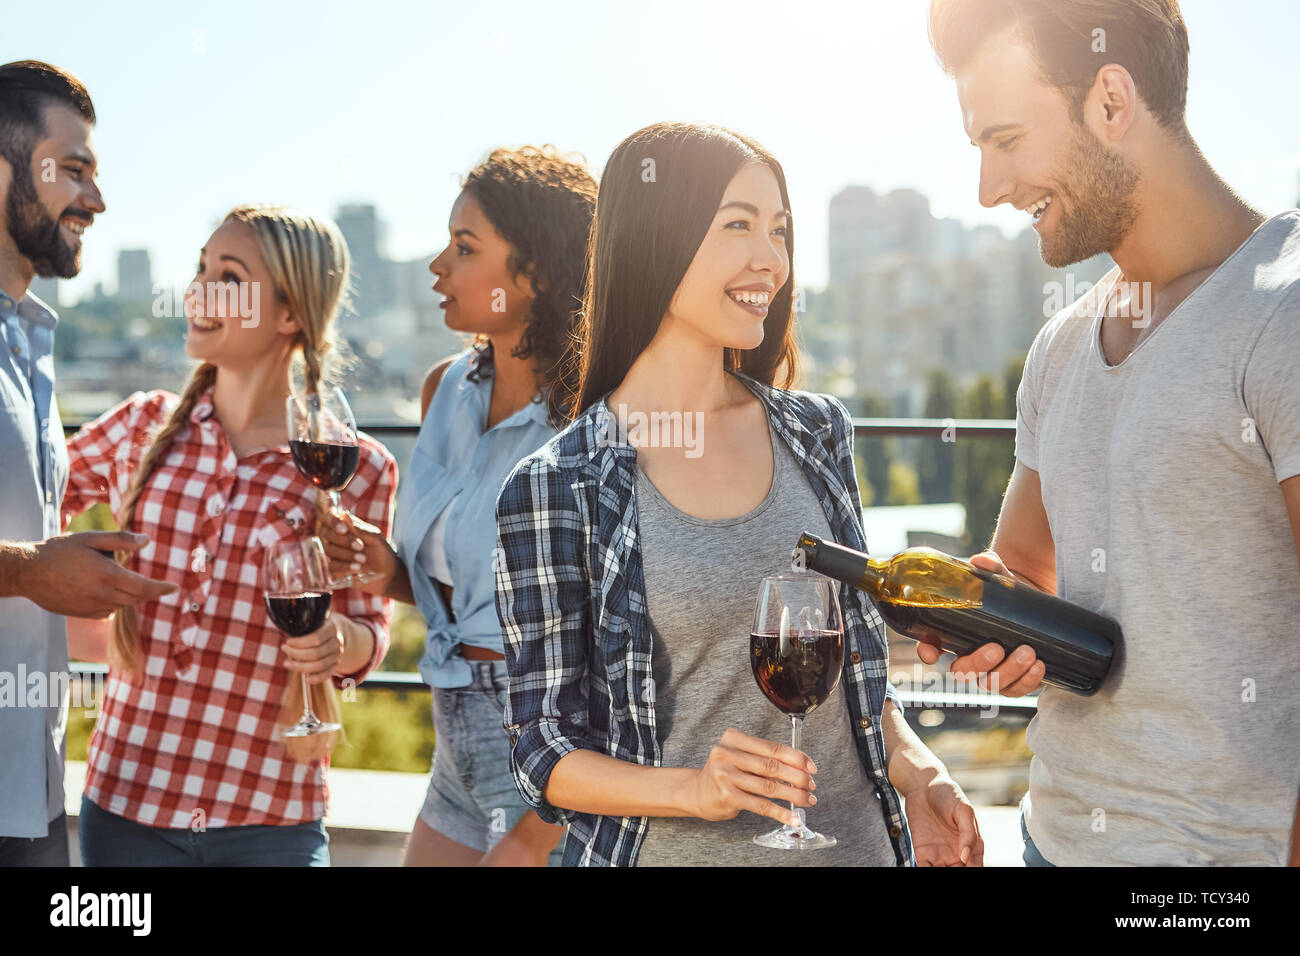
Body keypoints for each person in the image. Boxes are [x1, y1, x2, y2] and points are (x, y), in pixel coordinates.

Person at [493, 122, 982, 867]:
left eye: (779, 229)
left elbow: (861, 680)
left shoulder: (817, 433)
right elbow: (542, 749)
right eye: (739, 225)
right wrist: (694, 789)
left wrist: (924, 776)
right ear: (658, 238)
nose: (772, 259)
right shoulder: (558, 485)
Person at [926, 0, 1300, 865]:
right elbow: (1028, 568)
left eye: (1006, 139)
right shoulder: (1061, 346)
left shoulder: (1280, 314)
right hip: (1050, 839)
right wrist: (1001, 615)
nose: (988, 188)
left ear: (1110, 100)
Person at [61, 204, 397, 866]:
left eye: (229, 276)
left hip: (273, 815)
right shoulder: (141, 426)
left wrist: (338, 643)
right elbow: (30, 514)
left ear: (290, 315)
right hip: (129, 803)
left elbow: (369, 636)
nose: (198, 291)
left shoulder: (353, 466)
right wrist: (75, 622)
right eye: (200, 270)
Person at [319, 146, 595, 865]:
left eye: (464, 247)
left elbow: (619, 641)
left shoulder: (591, 420)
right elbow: (458, 589)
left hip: (549, 761)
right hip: (454, 740)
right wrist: (383, 568)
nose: (437, 266)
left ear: (534, 271)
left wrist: (539, 835)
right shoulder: (444, 388)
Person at [0, 60, 176, 867]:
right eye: (73, 171)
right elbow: (31, 567)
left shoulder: (30, 342)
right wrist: (30, 570)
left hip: (30, 782)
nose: (96, 202)